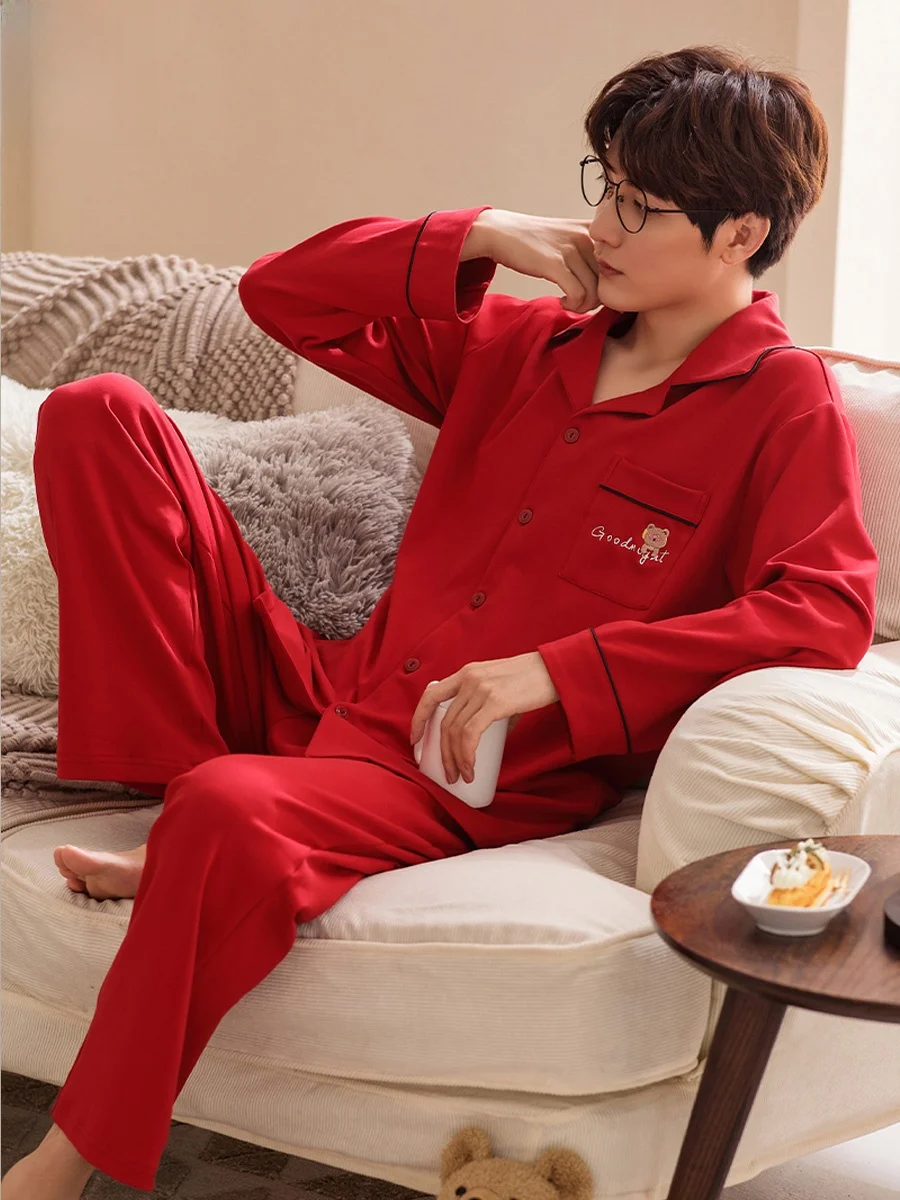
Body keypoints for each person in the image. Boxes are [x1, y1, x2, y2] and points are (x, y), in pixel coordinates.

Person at [3, 42, 877, 1199]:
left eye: (640, 206)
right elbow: (280, 295)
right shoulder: (523, 346)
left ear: (741, 233)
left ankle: (63, 1160)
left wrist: (561, 671)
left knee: (230, 810)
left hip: (456, 768)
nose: (603, 226)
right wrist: (482, 237)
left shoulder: (780, 401)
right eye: (604, 187)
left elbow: (822, 612)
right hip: (330, 691)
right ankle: (175, 802)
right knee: (97, 414)